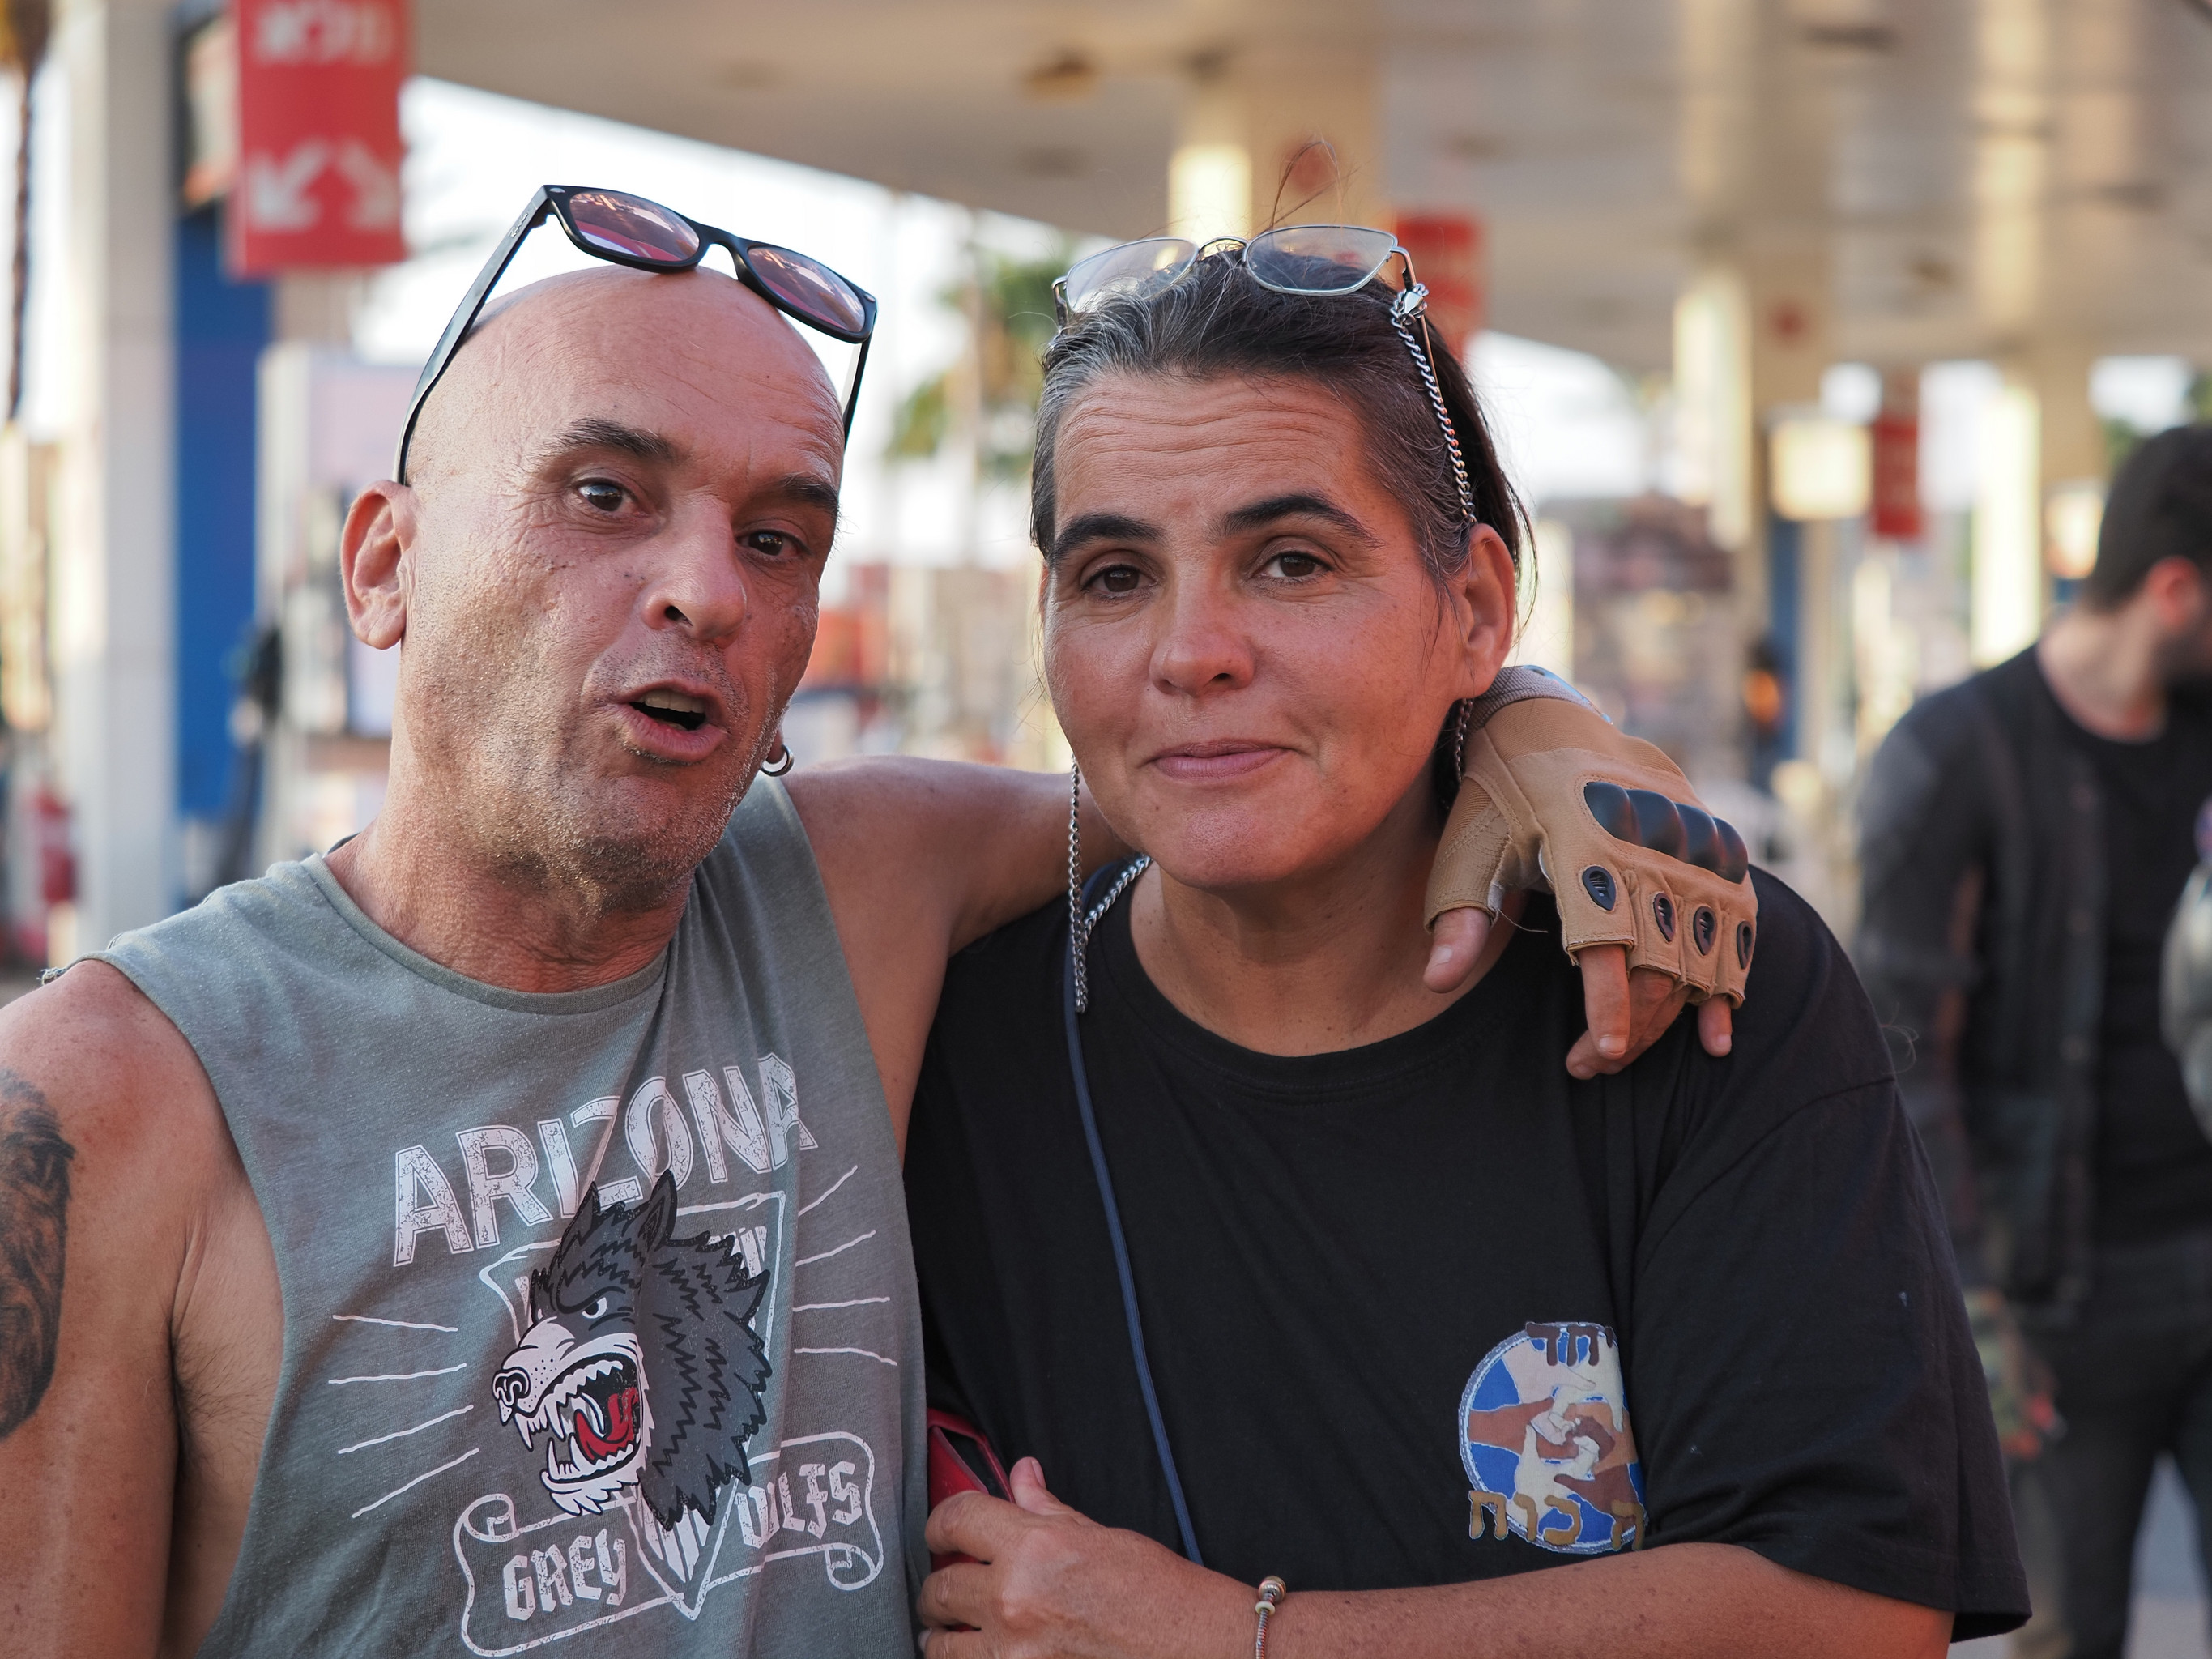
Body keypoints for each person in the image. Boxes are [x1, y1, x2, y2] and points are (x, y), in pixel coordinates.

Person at [0, 187, 1728, 1656]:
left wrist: (1540, 729)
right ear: (383, 563)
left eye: (779, 538)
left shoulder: (847, 888)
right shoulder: (113, 1095)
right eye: (603, 495)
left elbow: (1236, 760)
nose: (705, 587)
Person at [902, 230, 2028, 1656]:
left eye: (1291, 562)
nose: (1191, 652)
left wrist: (1229, 1640)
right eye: (1115, 576)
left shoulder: (1691, 984)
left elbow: (1849, 1615)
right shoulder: (941, 1046)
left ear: (1477, 610)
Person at [1856, 424, 2212, 1659]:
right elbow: (1902, 1061)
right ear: (2176, 591)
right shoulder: (1957, 753)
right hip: (2058, 1295)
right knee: (2071, 1634)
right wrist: (1973, 1309)